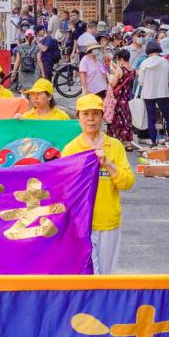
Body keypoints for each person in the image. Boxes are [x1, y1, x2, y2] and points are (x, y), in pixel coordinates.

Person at [61, 93, 135, 274]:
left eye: (95, 113)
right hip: (81, 224)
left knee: (106, 276)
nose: (91, 119)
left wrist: (108, 164)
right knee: (87, 274)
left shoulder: (115, 146)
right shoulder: (71, 150)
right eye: (85, 114)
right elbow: (63, 188)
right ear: (78, 117)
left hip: (108, 221)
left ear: (102, 117)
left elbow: (127, 182)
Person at [137, 41, 169, 146]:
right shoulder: (165, 62)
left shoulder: (144, 63)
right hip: (162, 92)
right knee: (168, 117)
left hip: (148, 94)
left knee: (151, 118)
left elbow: (141, 81)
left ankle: (153, 141)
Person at [12, 28, 41, 93]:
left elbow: (17, 60)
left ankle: (25, 102)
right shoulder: (37, 48)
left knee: (23, 90)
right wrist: (43, 72)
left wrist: (14, 72)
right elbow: (39, 61)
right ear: (33, 37)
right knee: (33, 89)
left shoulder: (19, 47)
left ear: (25, 37)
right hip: (34, 71)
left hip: (23, 71)